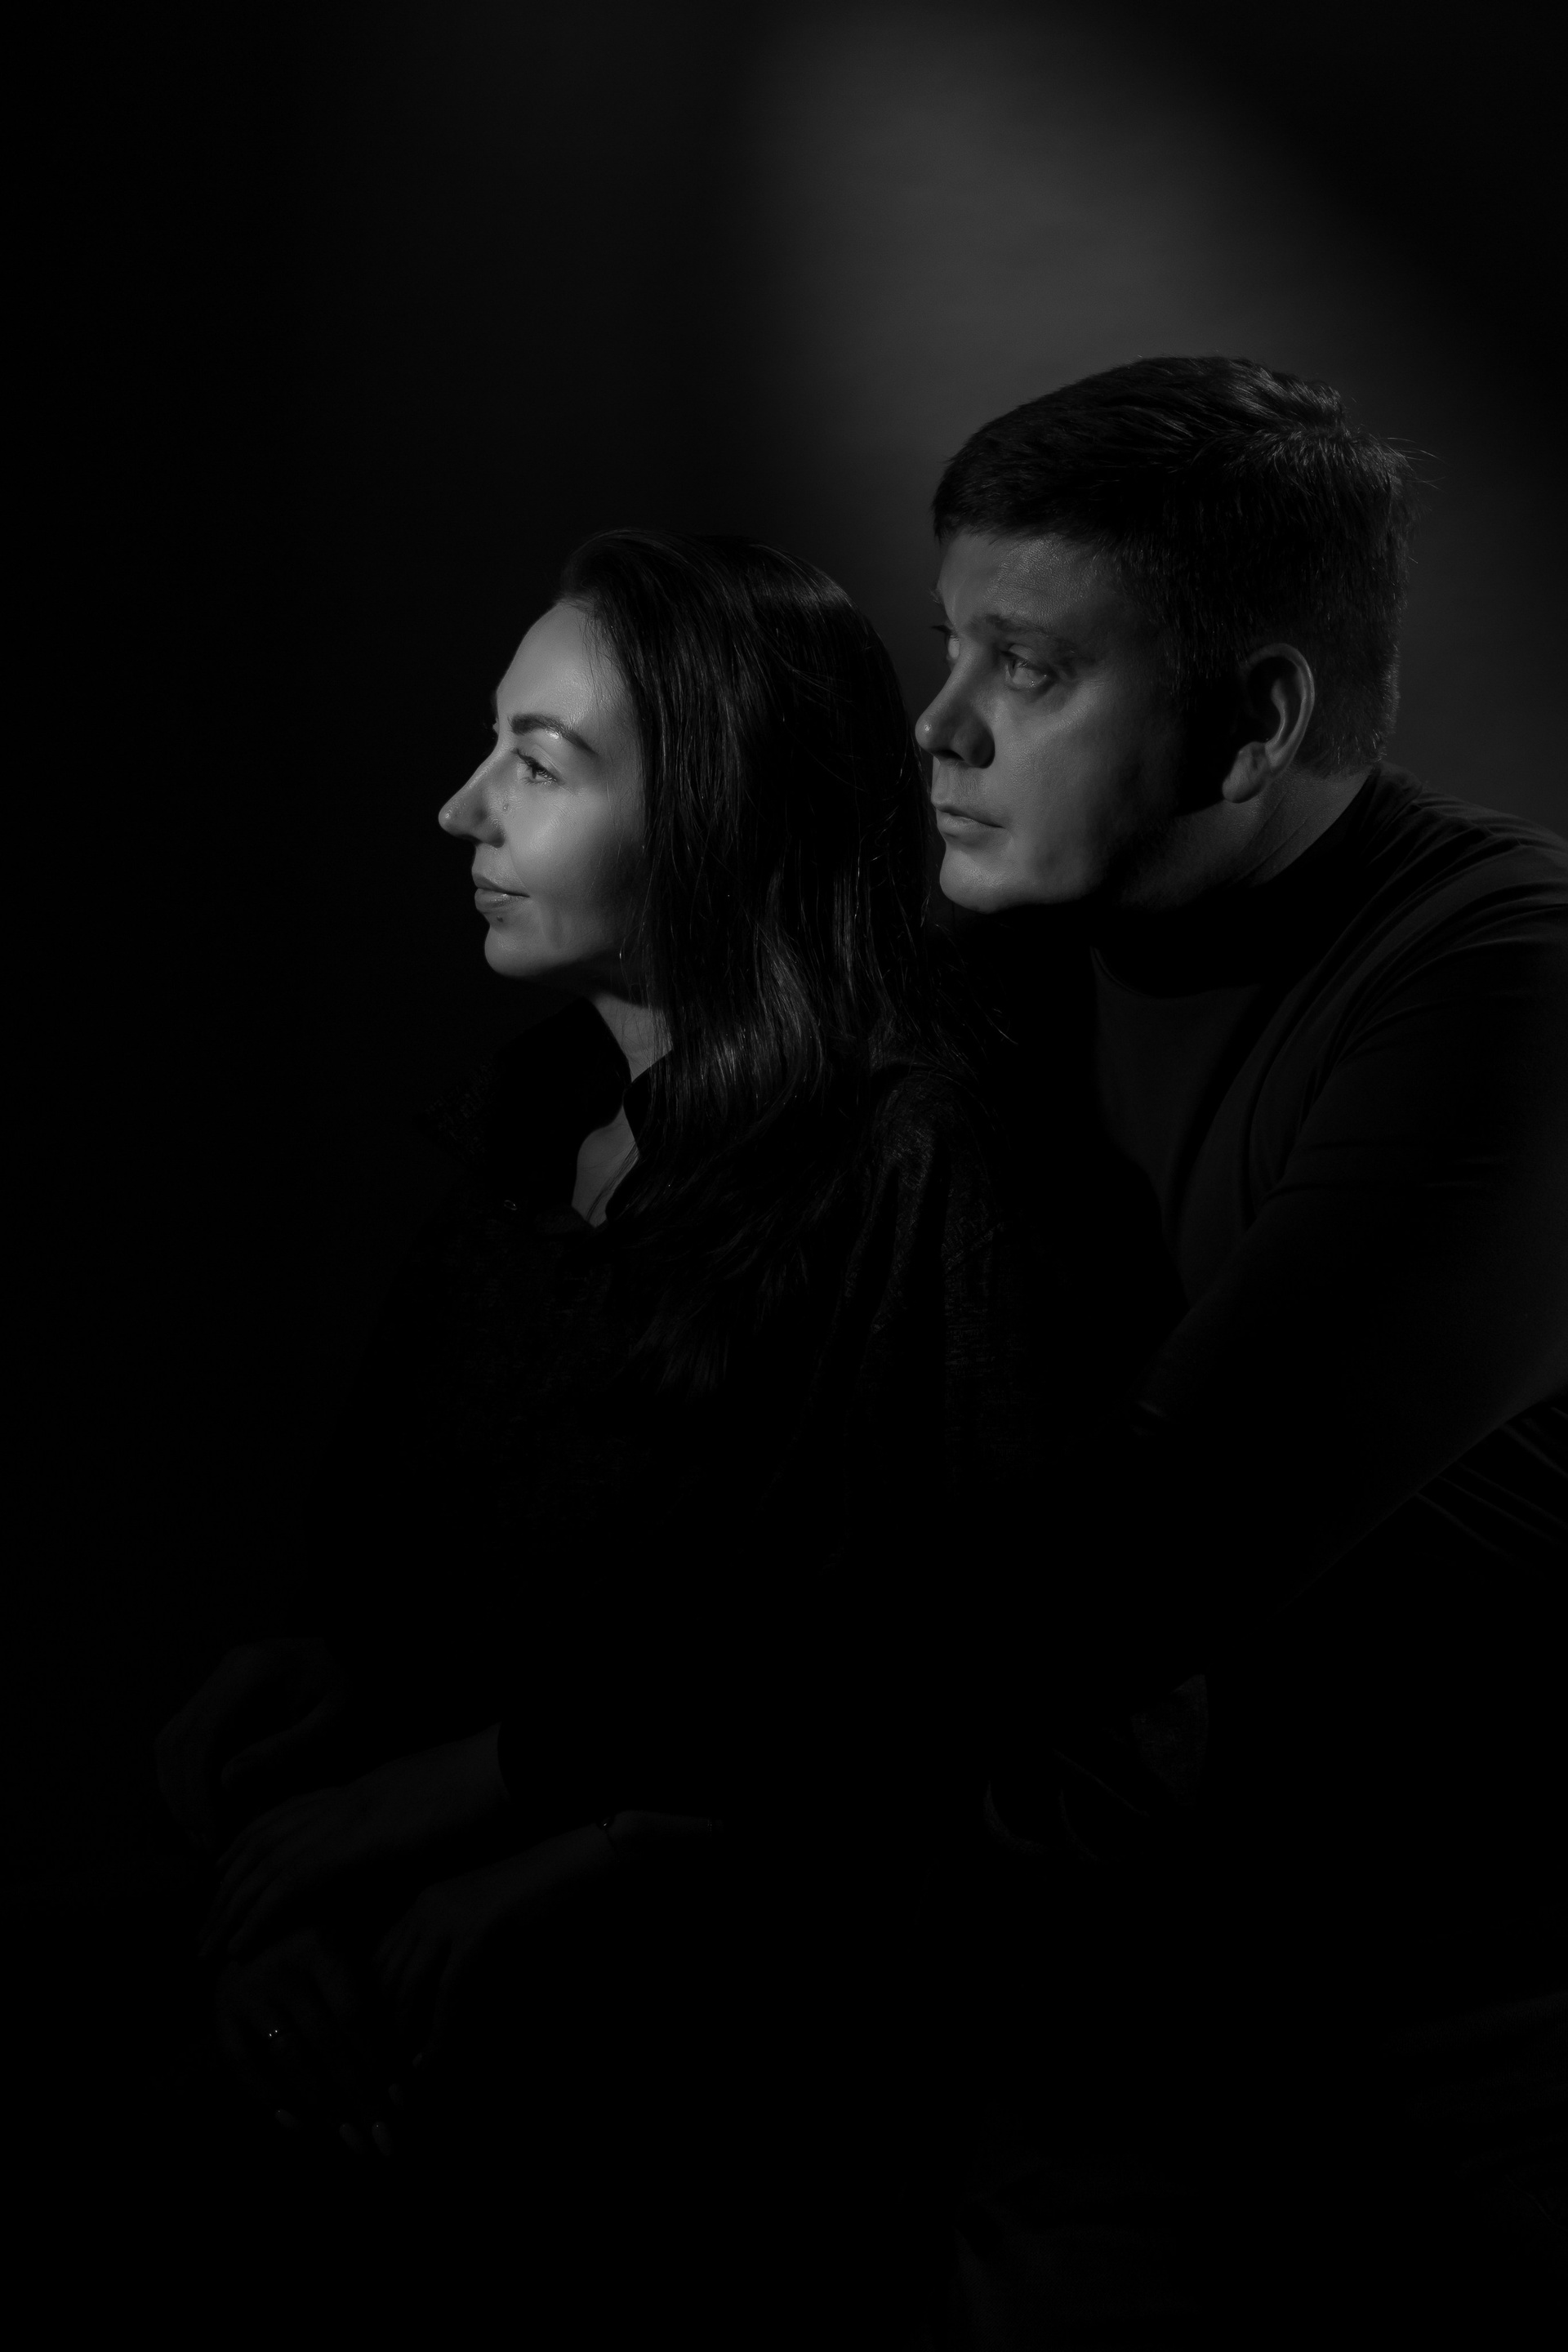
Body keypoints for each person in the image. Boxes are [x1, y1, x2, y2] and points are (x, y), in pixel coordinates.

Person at [134, 529, 1140, 2338]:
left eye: (539, 761)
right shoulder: (534, 1138)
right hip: (407, 2044)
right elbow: (401, 1587)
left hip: (728, 2104)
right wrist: (290, 1836)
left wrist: (556, 1836)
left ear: (720, 809)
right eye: (492, 748)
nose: (462, 809)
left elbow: (960, 1674)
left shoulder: (925, 1165)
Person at [913, 356, 1568, 2342]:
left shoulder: (1507, 981)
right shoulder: (998, 960)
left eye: (1027, 668)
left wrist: (541, 1807)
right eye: (950, 647)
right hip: (1126, 2019)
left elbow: (1123, 1576)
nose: (940, 722)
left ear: (1260, 718)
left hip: (1482, 2069)